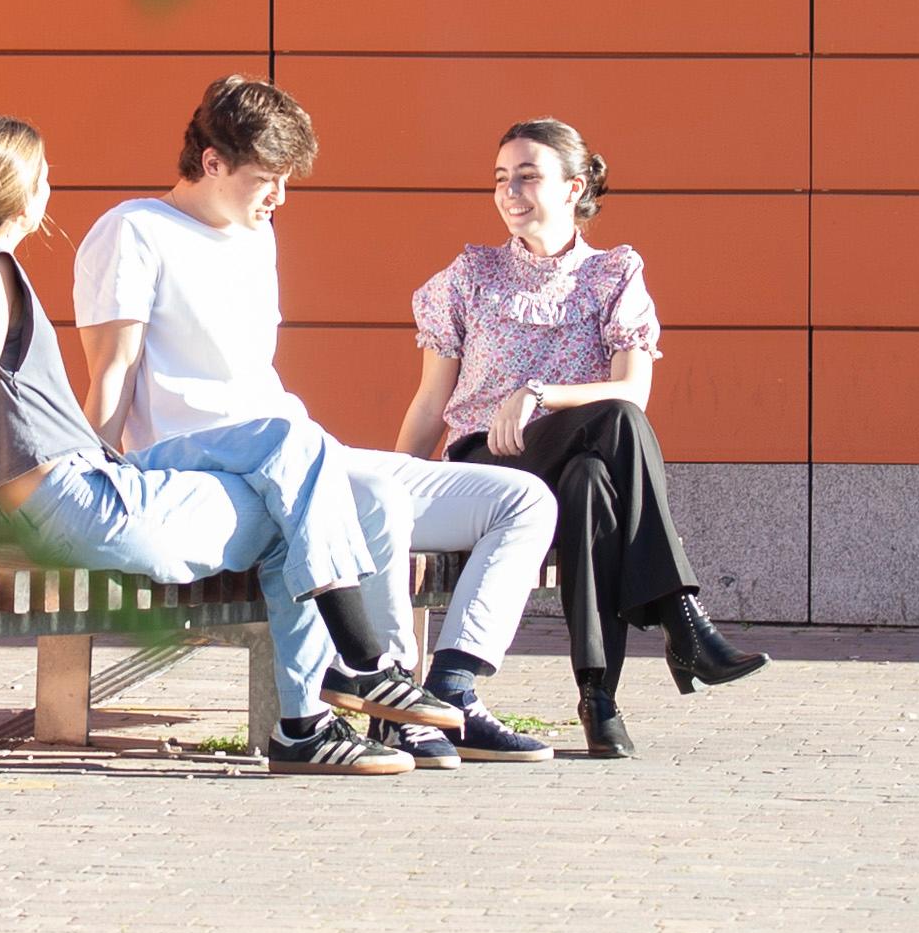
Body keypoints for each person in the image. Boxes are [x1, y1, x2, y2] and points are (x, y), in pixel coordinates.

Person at [0, 113, 446, 777]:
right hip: (84, 502)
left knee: (291, 445)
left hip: (94, 482)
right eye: (46, 176)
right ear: (26, 195)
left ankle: (319, 710)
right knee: (298, 506)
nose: (51, 187)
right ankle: (351, 679)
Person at [68, 76, 561, 768]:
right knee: (374, 497)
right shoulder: (132, 232)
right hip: (206, 469)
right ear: (211, 162)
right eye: (266, 179)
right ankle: (384, 692)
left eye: (286, 180)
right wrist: (88, 487)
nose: (279, 197)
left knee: (521, 500)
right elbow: (111, 372)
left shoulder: (255, 234)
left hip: (300, 452)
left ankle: (452, 692)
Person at [395, 115, 764, 760]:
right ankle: (681, 618)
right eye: (501, 178)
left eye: (529, 177)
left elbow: (633, 390)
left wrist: (539, 393)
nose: (511, 192)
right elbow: (432, 400)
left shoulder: (614, 275)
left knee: (594, 478)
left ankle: (598, 699)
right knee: (619, 426)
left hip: (569, 466)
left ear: (574, 187)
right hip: (488, 465)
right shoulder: (470, 275)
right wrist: (392, 491)